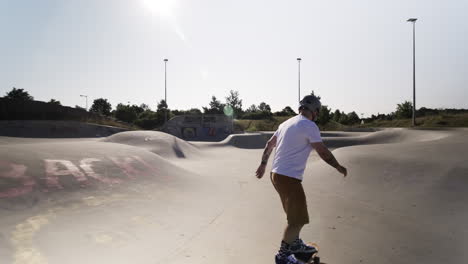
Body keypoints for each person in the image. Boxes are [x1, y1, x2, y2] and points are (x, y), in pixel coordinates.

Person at [255, 95, 348, 264]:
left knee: (294, 215)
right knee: (297, 220)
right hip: (288, 177)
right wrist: (338, 166)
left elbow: (269, 144)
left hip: (275, 175)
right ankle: (282, 256)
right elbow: (322, 151)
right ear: (315, 111)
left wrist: (263, 164)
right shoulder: (309, 125)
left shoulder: (286, 123)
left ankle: (296, 243)